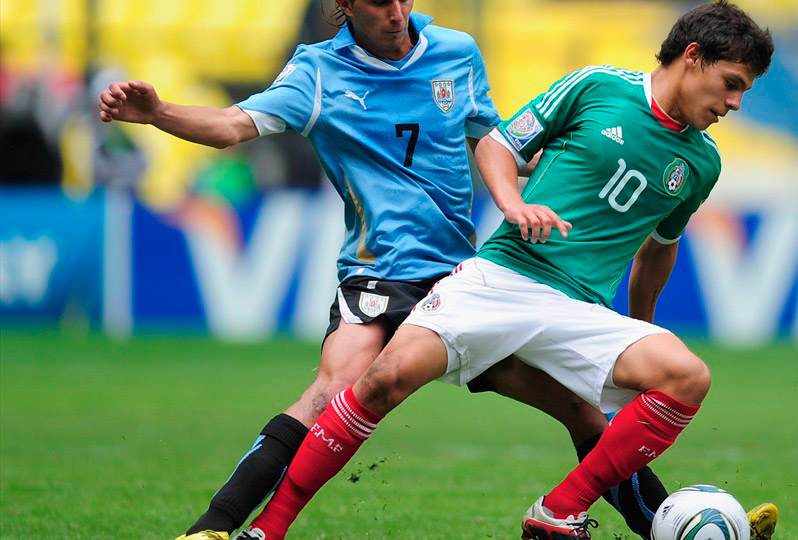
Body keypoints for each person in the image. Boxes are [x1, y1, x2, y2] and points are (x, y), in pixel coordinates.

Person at [97, 1, 674, 539]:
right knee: (329, 393)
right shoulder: (318, 73)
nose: (396, 13)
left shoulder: (457, 52)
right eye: (377, 2)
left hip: (467, 281)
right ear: (345, 5)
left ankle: (674, 529)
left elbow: (498, 146)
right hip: (382, 274)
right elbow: (231, 127)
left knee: (579, 409)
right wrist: (156, 113)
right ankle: (212, 527)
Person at [236, 2, 778, 539]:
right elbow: (497, 143)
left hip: (578, 311)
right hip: (503, 277)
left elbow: (659, 250)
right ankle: (268, 529)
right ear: (692, 57)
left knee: (685, 378)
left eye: (743, 93)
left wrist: (645, 328)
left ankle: (559, 512)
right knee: (383, 380)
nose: (733, 103)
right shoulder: (598, 87)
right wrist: (513, 204)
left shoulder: (702, 163)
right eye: (731, 83)